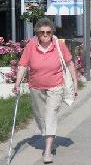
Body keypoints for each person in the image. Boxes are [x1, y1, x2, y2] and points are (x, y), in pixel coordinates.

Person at [13, 18, 78, 164]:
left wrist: (75, 82)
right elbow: (23, 65)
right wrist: (17, 84)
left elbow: (69, 63)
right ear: (37, 33)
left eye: (48, 32)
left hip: (56, 86)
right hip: (35, 86)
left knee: (50, 115)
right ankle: (50, 137)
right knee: (40, 116)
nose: (45, 35)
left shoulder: (58, 45)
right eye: (42, 32)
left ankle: (47, 150)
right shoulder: (31, 46)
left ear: (52, 32)